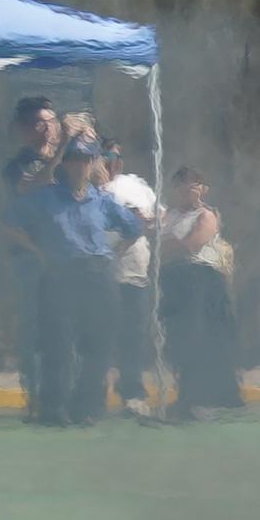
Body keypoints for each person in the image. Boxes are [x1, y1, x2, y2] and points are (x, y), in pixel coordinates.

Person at [16, 136, 139, 425]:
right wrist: (38, 252)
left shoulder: (102, 200)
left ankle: (88, 408)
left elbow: (133, 227)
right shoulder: (47, 196)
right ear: (66, 163)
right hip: (60, 275)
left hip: (97, 274)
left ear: (93, 164)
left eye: (86, 160)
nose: (79, 166)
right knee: (57, 344)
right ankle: (54, 409)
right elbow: (9, 222)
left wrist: (114, 252)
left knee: (98, 344)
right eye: (74, 159)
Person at [157, 170, 244, 417]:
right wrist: (168, 243)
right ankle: (187, 396)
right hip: (173, 282)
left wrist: (166, 244)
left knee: (199, 339)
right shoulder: (169, 216)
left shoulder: (206, 215)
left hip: (200, 284)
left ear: (203, 189)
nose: (187, 191)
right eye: (182, 187)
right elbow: (158, 245)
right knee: (179, 340)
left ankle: (204, 398)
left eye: (193, 186)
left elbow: (191, 244)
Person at [0, 97, 61, 416]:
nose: (48, 128)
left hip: (68, 259)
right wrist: (60, 155)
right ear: (24, 129)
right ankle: (35, 397)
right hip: (31, 260)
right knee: (34, 329)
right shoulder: (17, 165)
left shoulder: (72, 160)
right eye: (39, 122)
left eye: (51, 120)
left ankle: (64, 395)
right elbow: (35, 186)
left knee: (68, 325)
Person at [100, 160, 159, 417]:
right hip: (101, 276)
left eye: (114, 156)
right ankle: (93, 395)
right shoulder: (92, 191)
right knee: (99, 337)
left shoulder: (135, 184)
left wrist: (146, 221)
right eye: (104, 156)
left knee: (132, 337)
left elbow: (158, 217)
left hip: (135, 275)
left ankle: (132, 395)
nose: (109, 163)